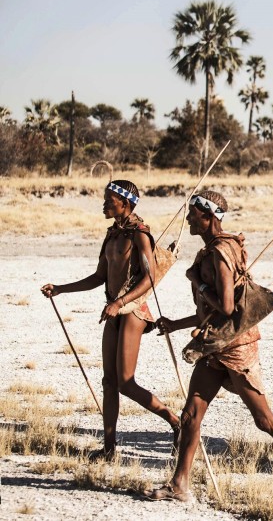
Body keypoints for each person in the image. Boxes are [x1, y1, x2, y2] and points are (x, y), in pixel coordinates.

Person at [145, 190, 273, 502]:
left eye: (193, 213)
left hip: (236, 347)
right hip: (215, 345)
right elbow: (212, 312)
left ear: (209, 217)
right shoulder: (217, 249)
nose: (188, 218)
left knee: (264, 420)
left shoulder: (219, 252)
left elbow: (228, 308)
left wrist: (198, 282)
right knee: (190, 415)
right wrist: (174, 324)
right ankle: (179, 485)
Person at [41, 180, 179, 461]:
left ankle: (177, 422)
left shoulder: (140, 235)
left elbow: (149, 278)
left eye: (109, 200)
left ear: (125, 203)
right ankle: (108, 449)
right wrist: (61, 288)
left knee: (126, 383)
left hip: (133, 311)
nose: (104, 204)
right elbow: (98, 277)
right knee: (108, 382)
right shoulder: (112, 235)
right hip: (113, 311)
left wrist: (120, 302)